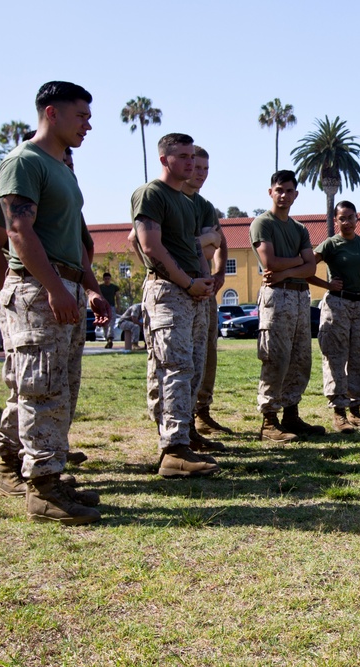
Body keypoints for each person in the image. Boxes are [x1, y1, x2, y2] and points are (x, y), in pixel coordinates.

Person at [0, 81, 111, 524]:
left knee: (62, 389)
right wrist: (55, 288)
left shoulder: (62, 168)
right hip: (36, 288)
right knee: (41, 387)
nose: (88, 124)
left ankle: (52, 472)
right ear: (51, 113)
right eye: (81, 115)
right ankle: (41, 490)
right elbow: (19, 232)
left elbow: (73, 240)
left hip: (65, 286)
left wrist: (90, 285)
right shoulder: (24, 162)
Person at [0, 139, 95, 499]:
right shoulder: (22, 177)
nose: (68, 165)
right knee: (33, 386)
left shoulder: (63, 193)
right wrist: (17, 299)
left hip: (63, 290)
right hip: (34, 295)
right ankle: (13, 464)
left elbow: (79, 251)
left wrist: (90, 291)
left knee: (55, 386)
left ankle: (45, 456)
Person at [131, 133, 219, 478]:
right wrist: (187, 281)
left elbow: (193, 247)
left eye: (191, 156)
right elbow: (150, 246)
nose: (189, 162)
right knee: (174, 369)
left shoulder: (184, 202)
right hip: (168, 293)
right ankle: (173, 449)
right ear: (164, 160)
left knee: (191, 369)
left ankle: (181, 439)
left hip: (193, 295)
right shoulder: (151, 194)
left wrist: (204, 280)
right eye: (182, 156)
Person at [249, 170, 325, 441]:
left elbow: (311, 267)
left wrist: (289, 266)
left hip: (299, 296)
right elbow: (270, 262)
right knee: (275, 358)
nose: (283, 195)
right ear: (271, 192)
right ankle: (269, 421)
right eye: (279, 189)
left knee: (300, 358)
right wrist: (296, 262)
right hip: (276, 296)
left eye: (289, 190)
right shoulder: (263, 223)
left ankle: (291, 415)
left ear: (296, 194)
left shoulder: (299, 229)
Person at [308, 200, 360, 433]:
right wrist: (326, 284)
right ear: (335, 220)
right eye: (342, 218)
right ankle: (338, 413)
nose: (347, 222)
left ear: (356, 219)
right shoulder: (330, 244)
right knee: (336, 356)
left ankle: (355, 411)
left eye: (351, 217)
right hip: (337, 303)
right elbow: (306, 268)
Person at [186, 145, 233, 437]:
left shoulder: (204, 205)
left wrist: (218, 273)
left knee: (207, 354)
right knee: (182, 358)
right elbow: (140, 241)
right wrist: (204, 240)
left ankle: (202, 412)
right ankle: (182, 421)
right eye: (196, 167)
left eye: (205, 169)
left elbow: (221, 242)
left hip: (205, 289)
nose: (200, 174)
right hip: (179, 287)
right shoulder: (168, 198)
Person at [99, 272, 120, 348]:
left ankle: (110, 338)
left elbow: (117, 297)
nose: (107, 280)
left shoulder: (114, 287)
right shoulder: (100, 287)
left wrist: (118, 306)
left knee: (111, 323)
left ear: (110, 279)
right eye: (105, 279)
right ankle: (107, 338)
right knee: (104, 324)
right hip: (103, 307)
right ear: (103, 279)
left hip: (111, 307)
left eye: (108, 279)